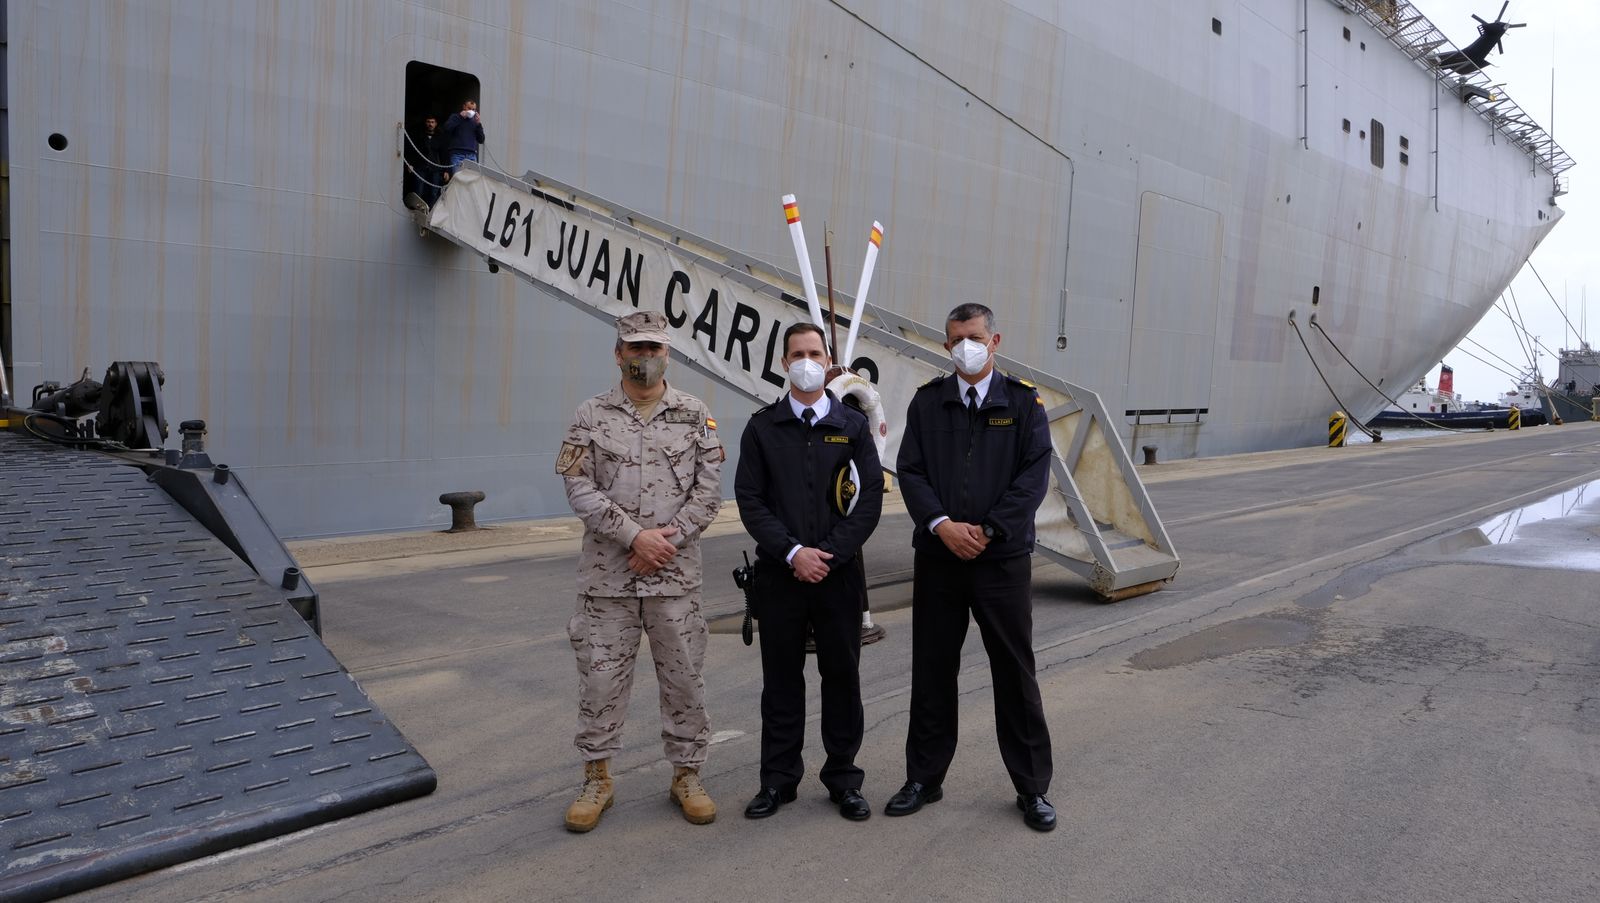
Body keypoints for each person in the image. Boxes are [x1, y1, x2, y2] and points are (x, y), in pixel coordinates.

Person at [885, 302, 1059, 832]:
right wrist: (941, 524)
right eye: (957, 338)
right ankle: (924, 777)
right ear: (946, 346)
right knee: (933, 672)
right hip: (940, 559)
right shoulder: (928, 403)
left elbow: (1034, 477)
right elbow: (910, 470)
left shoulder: (1025, 405)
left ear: (995, 340)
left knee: (1014, 673)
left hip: (1000, 561)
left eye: (975, 336)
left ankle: (1031, 789)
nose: (966, 346)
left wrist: (986, 530)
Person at [557, 310, 724, 832]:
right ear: (618, 353)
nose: (644, 357)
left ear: (667, 354)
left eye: (653, 349)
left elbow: (709, 491)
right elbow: (578, 487)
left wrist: (663, 543)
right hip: (608, 581)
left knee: (684, 682)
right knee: (601, 683)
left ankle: (687, 775)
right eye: (635, 348)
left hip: (674, 581)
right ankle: (597, 777)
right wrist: (635, 537)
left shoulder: (695, 415)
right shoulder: (590, 414)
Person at [734, 323, 884, 822]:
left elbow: (868, 504)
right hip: (780, 576)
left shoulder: (853, 427)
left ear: (828, 361)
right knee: (780, 681)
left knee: (842, 677)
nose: (806, 360)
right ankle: (778, 781)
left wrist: (827, 555)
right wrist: (794, 552)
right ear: (784, 363)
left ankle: (843, 778)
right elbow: (751, 503)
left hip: (838, 577)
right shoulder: (762, 427)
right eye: (797, 353)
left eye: (814, 353)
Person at [405, 115, 447, 209]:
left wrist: (446, 170)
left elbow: (443, 154)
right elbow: (412, 150)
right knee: (418, 191)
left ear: (436, 124)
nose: (430, 124)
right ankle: (418, 212)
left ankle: (431, 213)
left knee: (433, 192)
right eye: (428, 122)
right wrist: (410, 164)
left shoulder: (440, 137)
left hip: (435, 168)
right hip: (420, 166)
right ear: (425, 123)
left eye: (432, 122)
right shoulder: (419, 136)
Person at [441, 99, 485, 172]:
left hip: (471, 155)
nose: (471, 111)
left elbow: (481, 140)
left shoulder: (475, 122)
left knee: (472, 180)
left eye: (473, 109)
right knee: (458, 179)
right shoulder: (455, 117)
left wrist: (478, 124)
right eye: (469, 108)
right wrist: (460, 117)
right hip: (457, 155)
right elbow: (446, 128)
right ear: (464, 107)